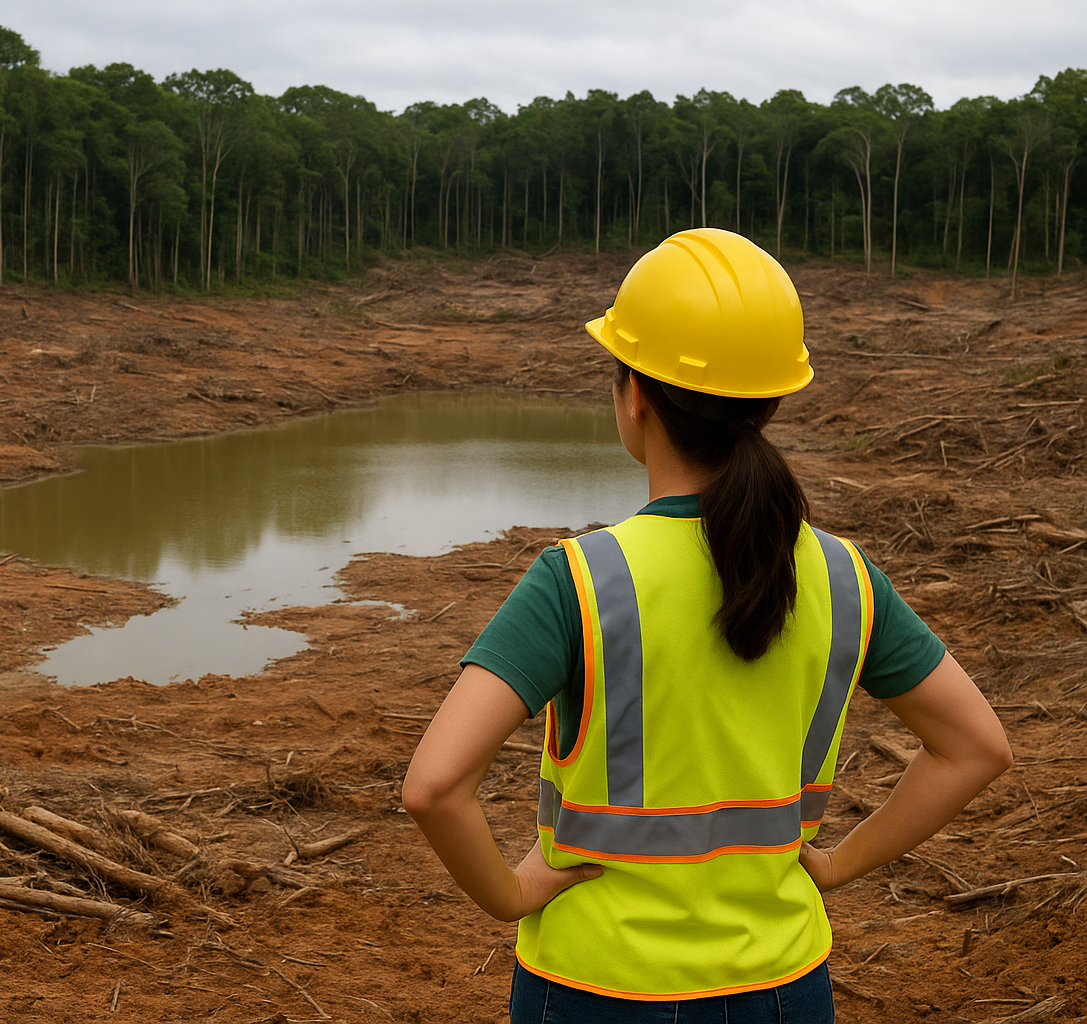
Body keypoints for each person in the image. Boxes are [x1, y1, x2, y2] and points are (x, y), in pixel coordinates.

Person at [401, 228, 1012, 1023]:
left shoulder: (579, 581)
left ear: (636, 395)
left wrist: (510, 894)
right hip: (782, 986)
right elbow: (977, 747)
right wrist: (832, 867)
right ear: (771, 401)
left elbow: (434, 787)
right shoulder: (843, 576)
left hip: (597, 985)